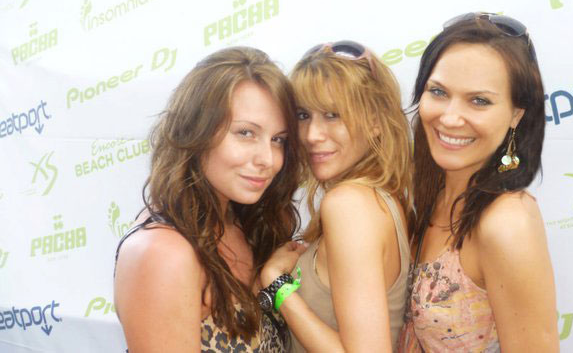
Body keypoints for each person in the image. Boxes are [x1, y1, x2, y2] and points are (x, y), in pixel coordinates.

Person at [114, 46, 301, 352]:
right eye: (246, 133)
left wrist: (275, 281)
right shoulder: (163, 253)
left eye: (278, 139)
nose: (268, 159)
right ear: (197, 130)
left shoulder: (241, 223)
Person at [399, 13, 559, 352]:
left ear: (516, 114)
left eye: (479, 101)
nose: (450, 118)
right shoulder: (429, 198)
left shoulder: (507, 222)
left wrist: (284, 291)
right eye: (438, 91)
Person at [259, 41, 413, 352]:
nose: (312, 135)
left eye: (333, 115)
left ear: (375, 121)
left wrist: (277, 285)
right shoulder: (377, 197)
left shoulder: (349, 205)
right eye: (303, 115)